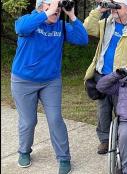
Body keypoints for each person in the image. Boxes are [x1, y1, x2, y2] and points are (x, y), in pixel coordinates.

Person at [10, 0, 88, 173]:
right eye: (52, 6)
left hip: (50, 81)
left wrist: (72, 15)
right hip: (23, 80)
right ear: (40, 7)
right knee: (28, 121)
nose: (57, 10)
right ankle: (24, 151)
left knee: (55, 119)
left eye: (58, 8)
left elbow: (83, 39)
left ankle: (64, 158)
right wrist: (46, 12)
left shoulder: (61, 26)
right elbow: (20, 29)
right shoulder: (29, 21)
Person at [83, 0, 127, 154]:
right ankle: (105, 140)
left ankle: (121, 139)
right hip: (101, 76)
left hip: (120, 79)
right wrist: (99, 9)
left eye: (117, 5)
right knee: (103, 111)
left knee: (122, 112)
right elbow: (87, 28)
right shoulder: (106, 24)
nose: (114, 8)